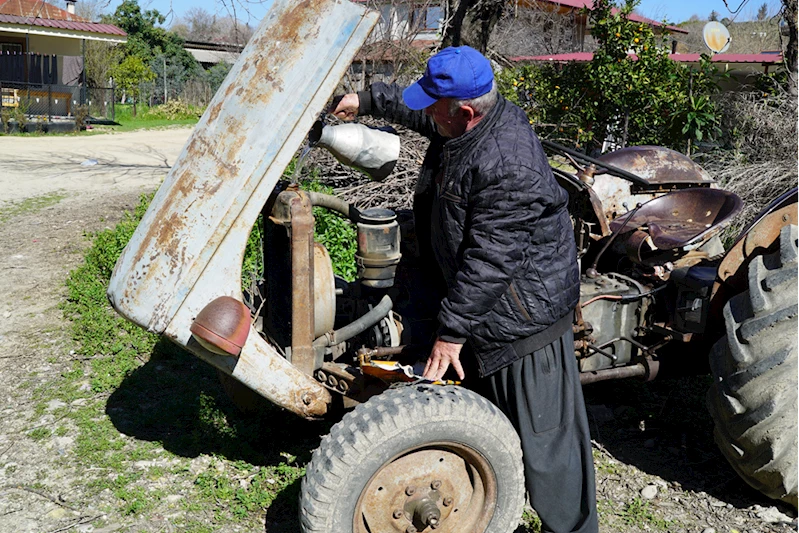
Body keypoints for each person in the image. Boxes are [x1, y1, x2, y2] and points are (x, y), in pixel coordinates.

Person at [330, 46, 597, 533]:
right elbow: (420, 109)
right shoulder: (467, 121)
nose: (428, 113)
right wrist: (364, 99)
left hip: (523, 320)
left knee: (547, 447)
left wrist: (451, 331)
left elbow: (490, 261)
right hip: (483, 307)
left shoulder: (507, 164)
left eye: (436, 106)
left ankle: (574, 528)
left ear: (467, 112)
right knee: (487, 418)